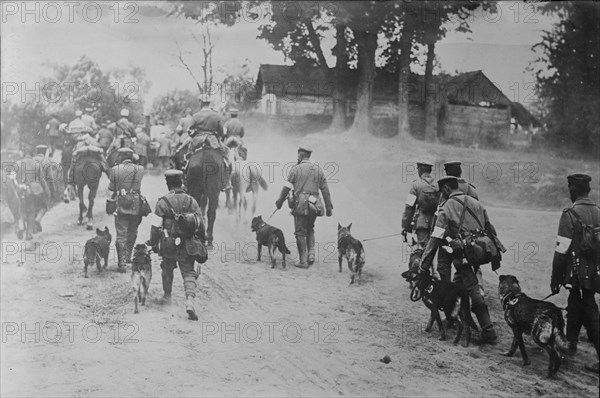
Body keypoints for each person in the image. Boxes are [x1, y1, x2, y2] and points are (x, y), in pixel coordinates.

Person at [419, 176, 499, 345]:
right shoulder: (476, 203)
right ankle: (453, 318)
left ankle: (488, 330)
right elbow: (490, 230)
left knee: (472, 288)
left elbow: (435, 238)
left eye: (443, 192)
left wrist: (424, 263)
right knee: (459, 284)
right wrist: (495, 256)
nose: (442, 195)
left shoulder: (447, 207)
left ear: (447, 189)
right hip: (479, 251)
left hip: (463, 255)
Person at [551, 173, 599, 373]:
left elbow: (561, 250)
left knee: (589, 310)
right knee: (575, 302)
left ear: (573, 190)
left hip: (577, 270)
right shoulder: (598, 211)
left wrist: (555, 277)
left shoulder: (570, 214)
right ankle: (571, 342)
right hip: (595, 270)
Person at [146, 169, 207, 321]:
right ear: (182, 182)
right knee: (188, 272)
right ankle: (190, 301)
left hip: (168, 244)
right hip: (188, 243)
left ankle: (167, 297)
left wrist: (153, 242)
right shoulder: (191, 201)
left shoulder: (162, 202)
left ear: (168, 184)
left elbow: (155, 227)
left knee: (167, 269)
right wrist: (201, 241)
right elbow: (201, 225)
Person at [275, 147, 333, 268]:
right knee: (310, 227)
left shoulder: (295, 169)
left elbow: (286, 187)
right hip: (315, 205)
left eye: (298, 156)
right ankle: (311, 254)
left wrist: (279, 201)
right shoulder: (318, 169)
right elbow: (325, 190)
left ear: (300, 156)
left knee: (300, 233)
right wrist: (328, 208)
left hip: (300, 205)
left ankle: (303, 261)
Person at [435, 161, 480, 283]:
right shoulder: (471, 189)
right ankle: (477, 292)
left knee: (444, 265)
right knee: (469, 266)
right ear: (460, 172)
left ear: (448, 173)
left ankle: (448, 292)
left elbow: (441, 213)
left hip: (450, 236)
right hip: (470, 237)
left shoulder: (447, 189)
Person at [108, 148, 145, 273]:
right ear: (132, 156)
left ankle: (121, 263)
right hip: (136, 204)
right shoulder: (140, 169)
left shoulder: (115, 169)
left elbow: (111, 188)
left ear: (120, 157)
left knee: (121, 234)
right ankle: (128, 256)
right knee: (133, 231)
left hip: (121, 204)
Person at [186, 97, 230, 190]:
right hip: (213, 140)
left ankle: (186, 180)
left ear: (201, 102)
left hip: (197, 141)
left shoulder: (195, 116)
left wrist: (194, 133)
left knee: (188, 157)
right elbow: (221, 131)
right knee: (225, 158)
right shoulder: (216, 115)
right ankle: (226, 182)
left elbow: (189, 130)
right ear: (209, 103)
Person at [15, 147, 51, 239]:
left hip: (20, 190)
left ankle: (21, 227)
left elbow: (12, 179)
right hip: (33, 191)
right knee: (31, 211)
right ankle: (29, 234)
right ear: (32, 154)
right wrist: (47, 192)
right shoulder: (36, 164)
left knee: (21, 210)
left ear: (23, 154)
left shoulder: (17, 164)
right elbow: (42, 180)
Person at [401, 161, 438, 248]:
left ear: (420, 170)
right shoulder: (438, 185)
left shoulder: (416, 185)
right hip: (436, 224)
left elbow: (409, 208)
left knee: (423, 250)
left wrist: (405, 227)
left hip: (421, 224)